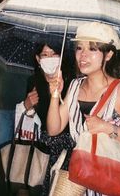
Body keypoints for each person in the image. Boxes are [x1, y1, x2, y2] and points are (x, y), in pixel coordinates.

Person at [47, 22, 120, 195]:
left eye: (92, 49)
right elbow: (53, 129)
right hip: (79, 179)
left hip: (108, 179)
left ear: (108, 54)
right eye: (79, 48)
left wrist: (107, 127)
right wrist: (55, 95)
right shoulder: (74, 86)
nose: (83, 55)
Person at [21, 42, 74, 196]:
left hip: (69, 145)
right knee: (48, 189)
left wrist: (58, 95)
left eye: (54, 54)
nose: (50, 58)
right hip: (45, 145)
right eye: (45, 55)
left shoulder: (71, 80)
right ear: (38, 59)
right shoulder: (33, 82)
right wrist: (27, 105)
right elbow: (31, 117)